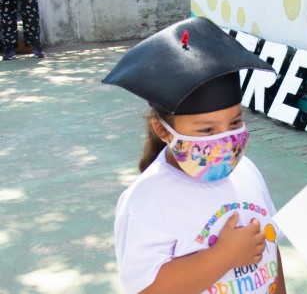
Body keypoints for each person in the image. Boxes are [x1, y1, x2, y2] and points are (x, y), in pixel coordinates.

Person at [103, 17, 286, 294]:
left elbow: (271, 252)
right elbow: (145, 289)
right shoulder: (146, 200)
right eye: (207, 129)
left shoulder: (247, 172)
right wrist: (223, 257)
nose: (225, 140)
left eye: (235, 123)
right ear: (163, 131)